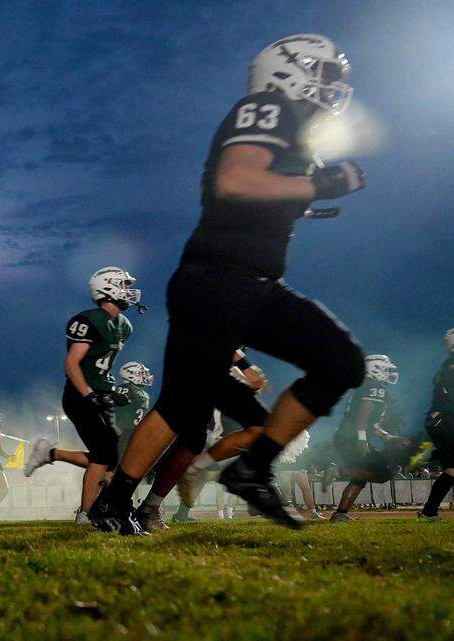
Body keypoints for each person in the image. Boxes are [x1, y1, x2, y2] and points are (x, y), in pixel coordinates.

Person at [87, 34, 367, 534]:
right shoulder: (266, 106)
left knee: (332, 363)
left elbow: (252, 191)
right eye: (323, 76)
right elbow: (236, 181)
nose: (330, 90)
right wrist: (318, 183)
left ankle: (245, 470)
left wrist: (299, 194)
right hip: (220, 280)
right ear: (290, 71)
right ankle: (223, 476)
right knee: (185, 404)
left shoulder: (290, 129)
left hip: (237, 281)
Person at [22, 266, 139, 523]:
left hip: (100, 392)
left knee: (110, 460)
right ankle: (87, 513)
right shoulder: (89, 319)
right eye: (124, 285)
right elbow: (72, 363)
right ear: (108, 288)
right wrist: (88, 394)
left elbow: (102, 364)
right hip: (80, 394)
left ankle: (51, 455)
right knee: (104, 453)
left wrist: (110, 391)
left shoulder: (124, 325)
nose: (129, 292)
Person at [137, 349, 269, 529]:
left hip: (207, 419)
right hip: (198, 411)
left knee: (185, 459)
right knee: (164, 460)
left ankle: (150, 507)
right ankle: (123, 504)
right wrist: (248, 369)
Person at [330, 355, 408, 521]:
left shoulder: (367, 386)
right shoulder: (375, 386)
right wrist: (361, 440)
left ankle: (340, 514)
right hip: (351, 438)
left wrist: (388, 438)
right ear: (376, 370)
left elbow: (371, 425)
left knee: (361, 477)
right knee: (384, 471)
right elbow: (362, 417)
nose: (388, 372)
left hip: (346, 436)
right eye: (385, 369)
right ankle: (338, 471)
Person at [419, 330, 454, 520]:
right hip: (446, 422)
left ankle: (429, 511)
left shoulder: (447, 365)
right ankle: (429, 511)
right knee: (452, 470)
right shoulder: (451, 366)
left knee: (452, 470)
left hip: (442, 422)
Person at [114, 362, 153, 453]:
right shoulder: (126, 388)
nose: (146, 376)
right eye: (142, 373)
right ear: (132, 375)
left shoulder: (144, 394)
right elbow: (113, 406)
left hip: (132, 433)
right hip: (121, 430)